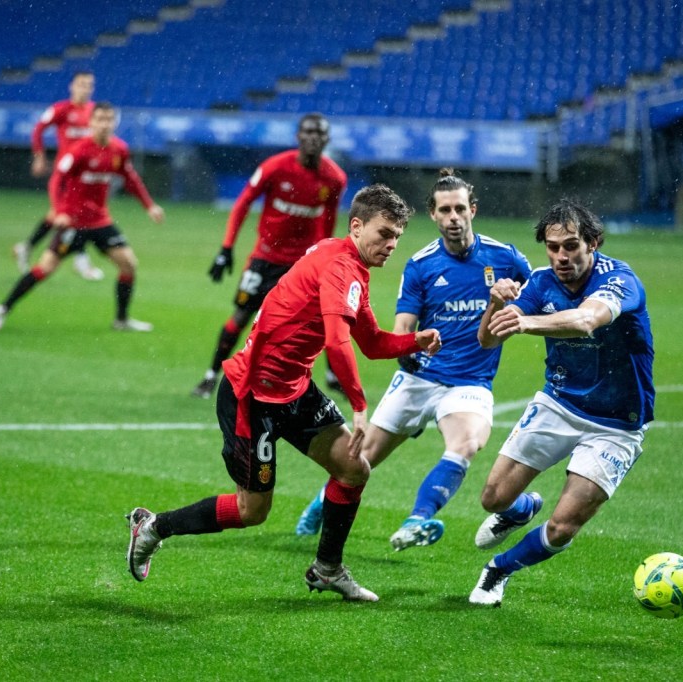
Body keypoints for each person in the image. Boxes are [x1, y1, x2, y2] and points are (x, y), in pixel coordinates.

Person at [125, 185, 442, 602]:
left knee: (353, 469)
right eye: (384, 233)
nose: (392, 244)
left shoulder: (349, 265)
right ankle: (153, 527)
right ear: (357, 226)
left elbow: (370, 342)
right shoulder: (340, 268)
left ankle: (328, 570)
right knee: (252, 511)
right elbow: (337, 341)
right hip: (251, 396)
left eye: (397, 237)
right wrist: (360, 406)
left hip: (294, 390)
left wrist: (414, 341)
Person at [294, 169, 532, 552]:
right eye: (445, 210)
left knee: (466, 443)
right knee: (361, 458)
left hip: (470, 381)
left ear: (472, 210)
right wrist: (408, 352)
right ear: (433, 215)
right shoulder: (421, 265)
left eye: (460, 209)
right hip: (419, 378)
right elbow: (403, 326)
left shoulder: (506, 258)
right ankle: (319, 504)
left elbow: (539, 292)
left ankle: (417, 520)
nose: (453, 217)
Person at [467, 198, 654, 607]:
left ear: (593, 243)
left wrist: (525, 321)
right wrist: (497, 303)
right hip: (559, 404)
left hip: (617, 423)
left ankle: (499, 570)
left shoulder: (620, 280)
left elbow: (585, 320)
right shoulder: (540, 282)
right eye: (553, 248)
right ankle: (519, 510)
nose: (561, 257)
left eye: (571, 246)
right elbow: (488, 340)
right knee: (492, 498)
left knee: (563, 527)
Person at [191, 113, 348, 399]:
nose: (313, 138)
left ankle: (328, 375)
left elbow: (329, 220)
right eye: (308, 132)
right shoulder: (275, 167)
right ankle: (211, 375)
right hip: (265, 259)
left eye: (320, 133)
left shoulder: (334, 178)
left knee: (320, 315)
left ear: (327, 139)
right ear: (298, 136)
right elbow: (242, 204)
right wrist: (226, 248)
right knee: (241, 316)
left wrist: (325, 258)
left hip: (301, 266)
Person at [0, 102, 165, 332]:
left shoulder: (119, 149)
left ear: (115, 123)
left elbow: (130, 178)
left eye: (109, 119)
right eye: (100, 119)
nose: (104, 124)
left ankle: (121, 320)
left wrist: (149, 206)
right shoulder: (79, 150)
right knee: (45, 268)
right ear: (91, 122)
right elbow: (57, 180)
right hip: (74, 223)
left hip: (100, 222)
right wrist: (60, 211)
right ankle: (2, 308)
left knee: (128, 265)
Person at [13, 70, 104, 281]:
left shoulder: (94, 112)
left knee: (57, 216)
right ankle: (81, 261)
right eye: (81, 84)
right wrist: (39, 157)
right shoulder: (61, 109)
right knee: (74, 216)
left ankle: (26, 247)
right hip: (66, 176)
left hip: (86, 178)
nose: (85, 89)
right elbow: (38, 129)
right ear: (72, 86)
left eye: (89, 85)